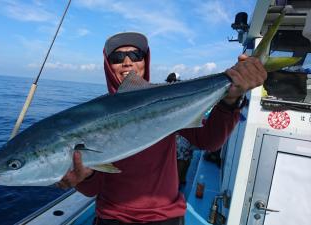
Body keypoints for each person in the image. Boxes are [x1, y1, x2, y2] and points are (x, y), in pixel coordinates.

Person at [56, 32, 266, 225]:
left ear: (145, 60)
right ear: (107, 65)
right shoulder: (91, 118)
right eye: (117, 58)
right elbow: (93, 188)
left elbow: (208, 140)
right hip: (112, 217)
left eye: (135, 55)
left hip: (166, 217)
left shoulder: (166, 100)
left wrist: (230, 100)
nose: (127, 62)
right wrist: (82, 178)